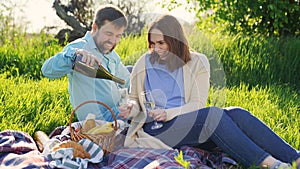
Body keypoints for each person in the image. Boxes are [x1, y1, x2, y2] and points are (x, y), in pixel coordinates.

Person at [118, 15, 300, 169]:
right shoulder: (144, 62)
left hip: (185, 123)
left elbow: (197, 105)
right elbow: (134, 99)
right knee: (212, 116)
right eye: (152, 43)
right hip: (156, 130)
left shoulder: (198, 62)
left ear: (174, 40)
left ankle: (296, 160)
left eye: (161, 43)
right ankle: (271, 164)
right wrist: (130, 107)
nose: (156, 49)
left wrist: (168, 113)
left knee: (237, 114)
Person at [42, 5, 130, 122]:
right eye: (109, 34)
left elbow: (127, 81)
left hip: (118, 111)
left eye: (118, 36)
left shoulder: (111, 55)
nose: (113, 41)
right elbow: (47, 70)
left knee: (134, 71)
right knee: (147, 117)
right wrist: (74, 55)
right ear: (94, 28)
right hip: (99, 120)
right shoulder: (79, 47)